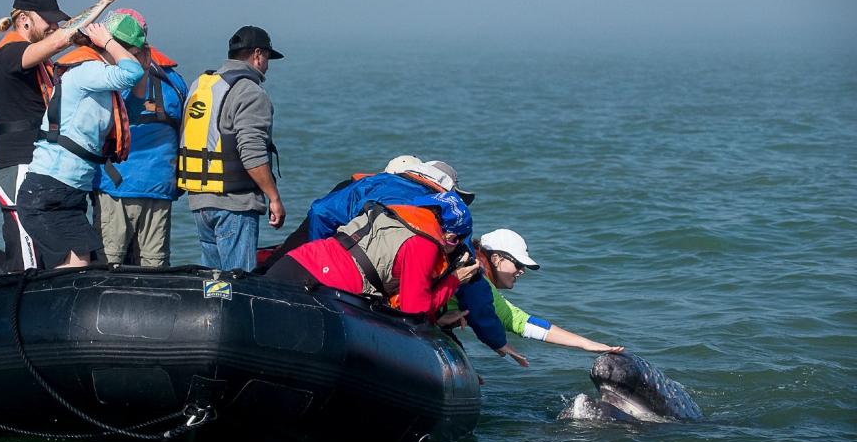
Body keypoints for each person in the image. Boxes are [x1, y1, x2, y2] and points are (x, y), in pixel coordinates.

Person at [0, 0, 131, 271]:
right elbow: (61, 39)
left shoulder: (36, 56)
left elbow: (66, 31)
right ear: (24, 19)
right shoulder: (10, 55)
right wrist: (104, 1)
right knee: (26, 253)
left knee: (56, 253)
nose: (54, 25)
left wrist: (104, 3)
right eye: (48, 19)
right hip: (20, 166)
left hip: (46, 166)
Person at [15, 13, 147, 269]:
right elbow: (131, 72)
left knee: (83, 266)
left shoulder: (102, 81)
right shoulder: (88, 71)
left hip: (69, 192)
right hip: (48, 190)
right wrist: (111, 42)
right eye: (130, 51)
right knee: (75, 270)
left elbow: (128, 115)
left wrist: (141, 69)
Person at [267, 192, 481, 319]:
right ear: (451, 235)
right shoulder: (424, 242)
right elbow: (414, 310)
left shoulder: (394, 215)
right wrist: (454, 280)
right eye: (456, 244)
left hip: (296, 262)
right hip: (322, 285)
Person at [177, 26, 286, 272]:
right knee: (237, 284)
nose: (267, 65)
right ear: (257, 54)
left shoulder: (202, 84)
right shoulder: (249, 91)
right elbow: (252, 153)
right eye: (267, 57)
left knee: (213, 284)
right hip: (234, 205)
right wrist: (274, 197)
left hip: (199, 201)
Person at [255, 157, 471, 274]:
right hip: (370, 275)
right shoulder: (445, 211)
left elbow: (322, 212)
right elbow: (463, 260)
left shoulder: (368, 183)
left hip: (333, 253)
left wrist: (316, 256)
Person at [92, 9, 188, 267]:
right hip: (160, 186)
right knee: (154, 266)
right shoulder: (174, 81)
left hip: (116, 186)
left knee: (109, 264)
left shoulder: (111, 76)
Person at [444, 229, 624, 366]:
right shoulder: (477, 277)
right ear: (497, 258)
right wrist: (584, 343)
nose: (522, 271)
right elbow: (519, 321)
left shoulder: (468, 263)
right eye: (518, 264)